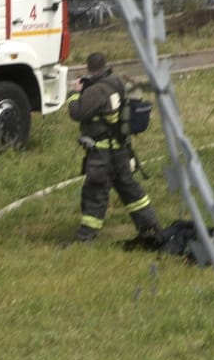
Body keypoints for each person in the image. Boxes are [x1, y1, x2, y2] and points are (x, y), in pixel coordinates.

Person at [68, 51, 162, 244]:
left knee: (95, 192)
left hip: (102, 154)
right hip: (120, 149)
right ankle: (151, 227)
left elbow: (77, 112)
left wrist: (74, 94)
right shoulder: (117, 82)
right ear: (105, 65)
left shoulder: (97, 91)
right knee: (131, 191)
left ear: (89, 68)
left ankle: (85, 237)